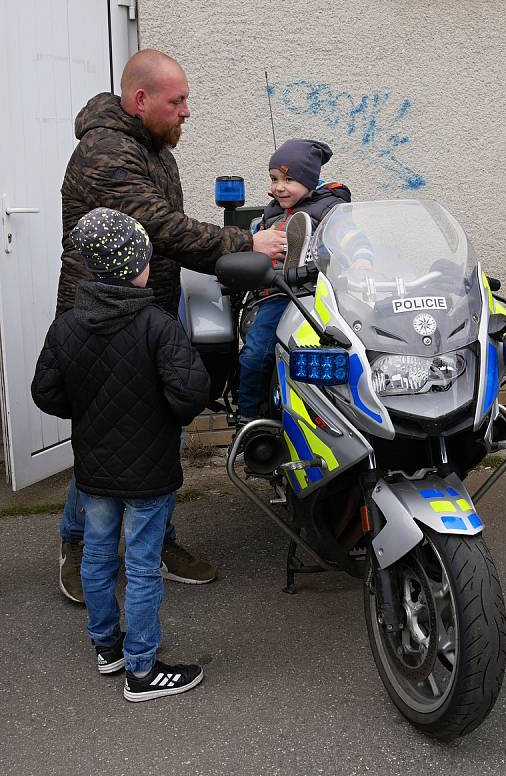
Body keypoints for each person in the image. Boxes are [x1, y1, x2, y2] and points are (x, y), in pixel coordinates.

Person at [56, 49, 287, 602]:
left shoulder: (154, 147)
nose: (187, 111)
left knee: (154, 437)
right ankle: (77, 544)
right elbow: (160, 227)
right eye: (177, 101)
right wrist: (244, 243)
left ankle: (156, 539)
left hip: (149, 315)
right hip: (104, 322)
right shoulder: (107, 151)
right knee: (109, 438)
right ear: (141, 101)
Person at [32, 208, 210, 702]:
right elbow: (190, 393)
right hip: (149, 469)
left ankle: (106, 648)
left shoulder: (67, 327)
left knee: (96, 554)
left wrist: (87, 410)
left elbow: (45, 392)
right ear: (141, 265)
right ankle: (142, 670)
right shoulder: (159, 325)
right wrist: (164, 414)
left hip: (94, 467)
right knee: (143, 565)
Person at [236, 139, 352, 424]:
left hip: (319, 293)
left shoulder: (331, 209)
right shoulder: (272, 213)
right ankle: (249, 417)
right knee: (255, 353)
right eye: (275, 179)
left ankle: (339, 414)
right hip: (278, 292)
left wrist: (359, 260)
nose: (279, 187)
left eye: (289, 179)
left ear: (310, 180)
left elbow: (353, 240)